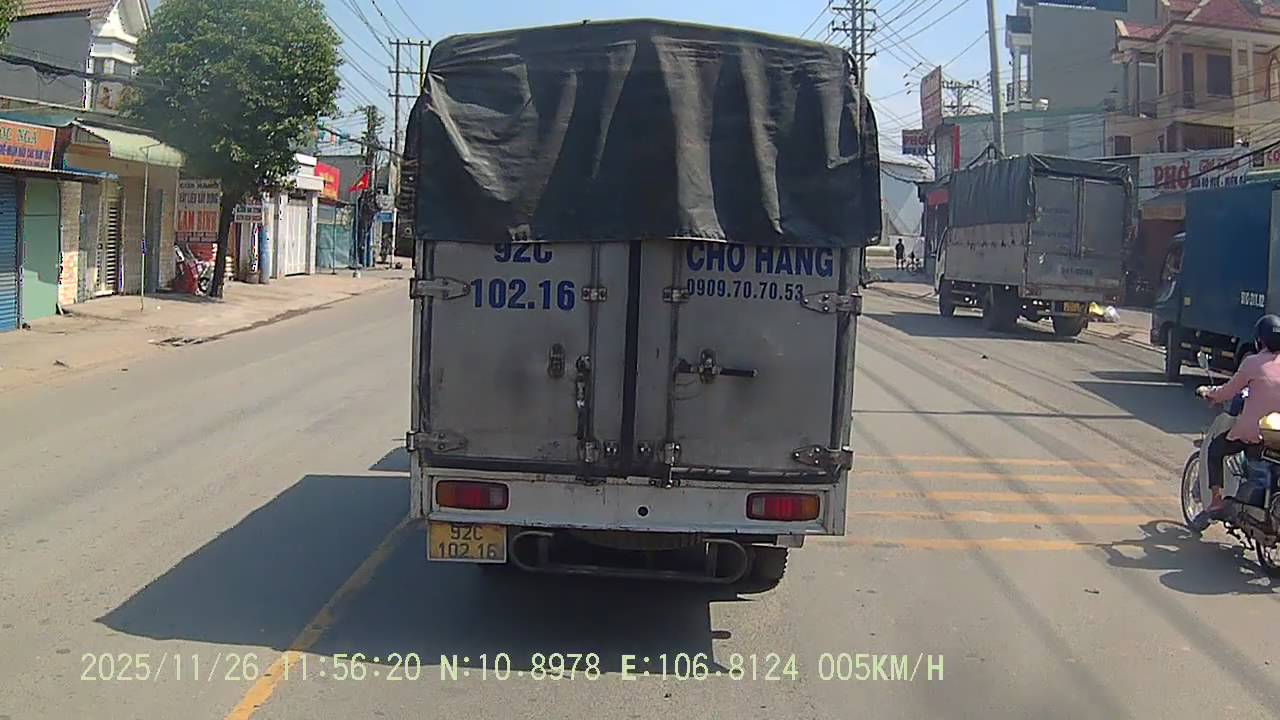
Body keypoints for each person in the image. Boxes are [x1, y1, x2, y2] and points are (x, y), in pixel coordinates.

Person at [1198, 314, 1280, 516]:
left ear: (1259, 340)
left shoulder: (1252, 363)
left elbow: (1228, 391)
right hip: (1277, 437)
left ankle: (1216, 500)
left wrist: (1210, 394)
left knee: (1215, 449)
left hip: (1255, 434)